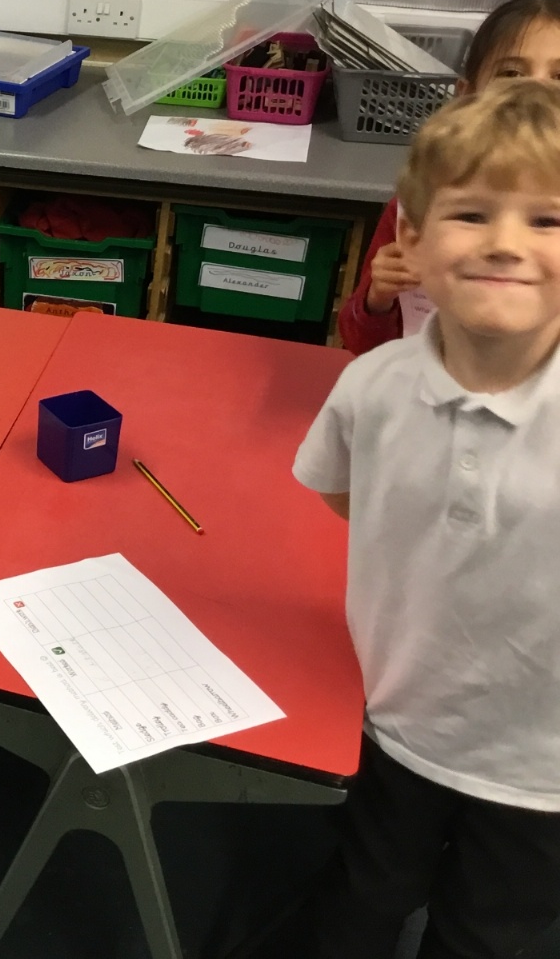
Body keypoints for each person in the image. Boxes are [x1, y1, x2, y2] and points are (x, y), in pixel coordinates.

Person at [292, 78, 560, 958]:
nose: (506, 244)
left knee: (488, 934)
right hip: (398, 721)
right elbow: (345, 493)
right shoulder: (373, 385)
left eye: (547, 221)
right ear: (410, 237)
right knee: (362, 899)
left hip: (542, 772)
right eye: (472, 214)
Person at [338, 0, 560, 354]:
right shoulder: (425, 202)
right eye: (511, 73)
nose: (534, 92)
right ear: (466, 94)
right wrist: (379, 298)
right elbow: (362, 343)